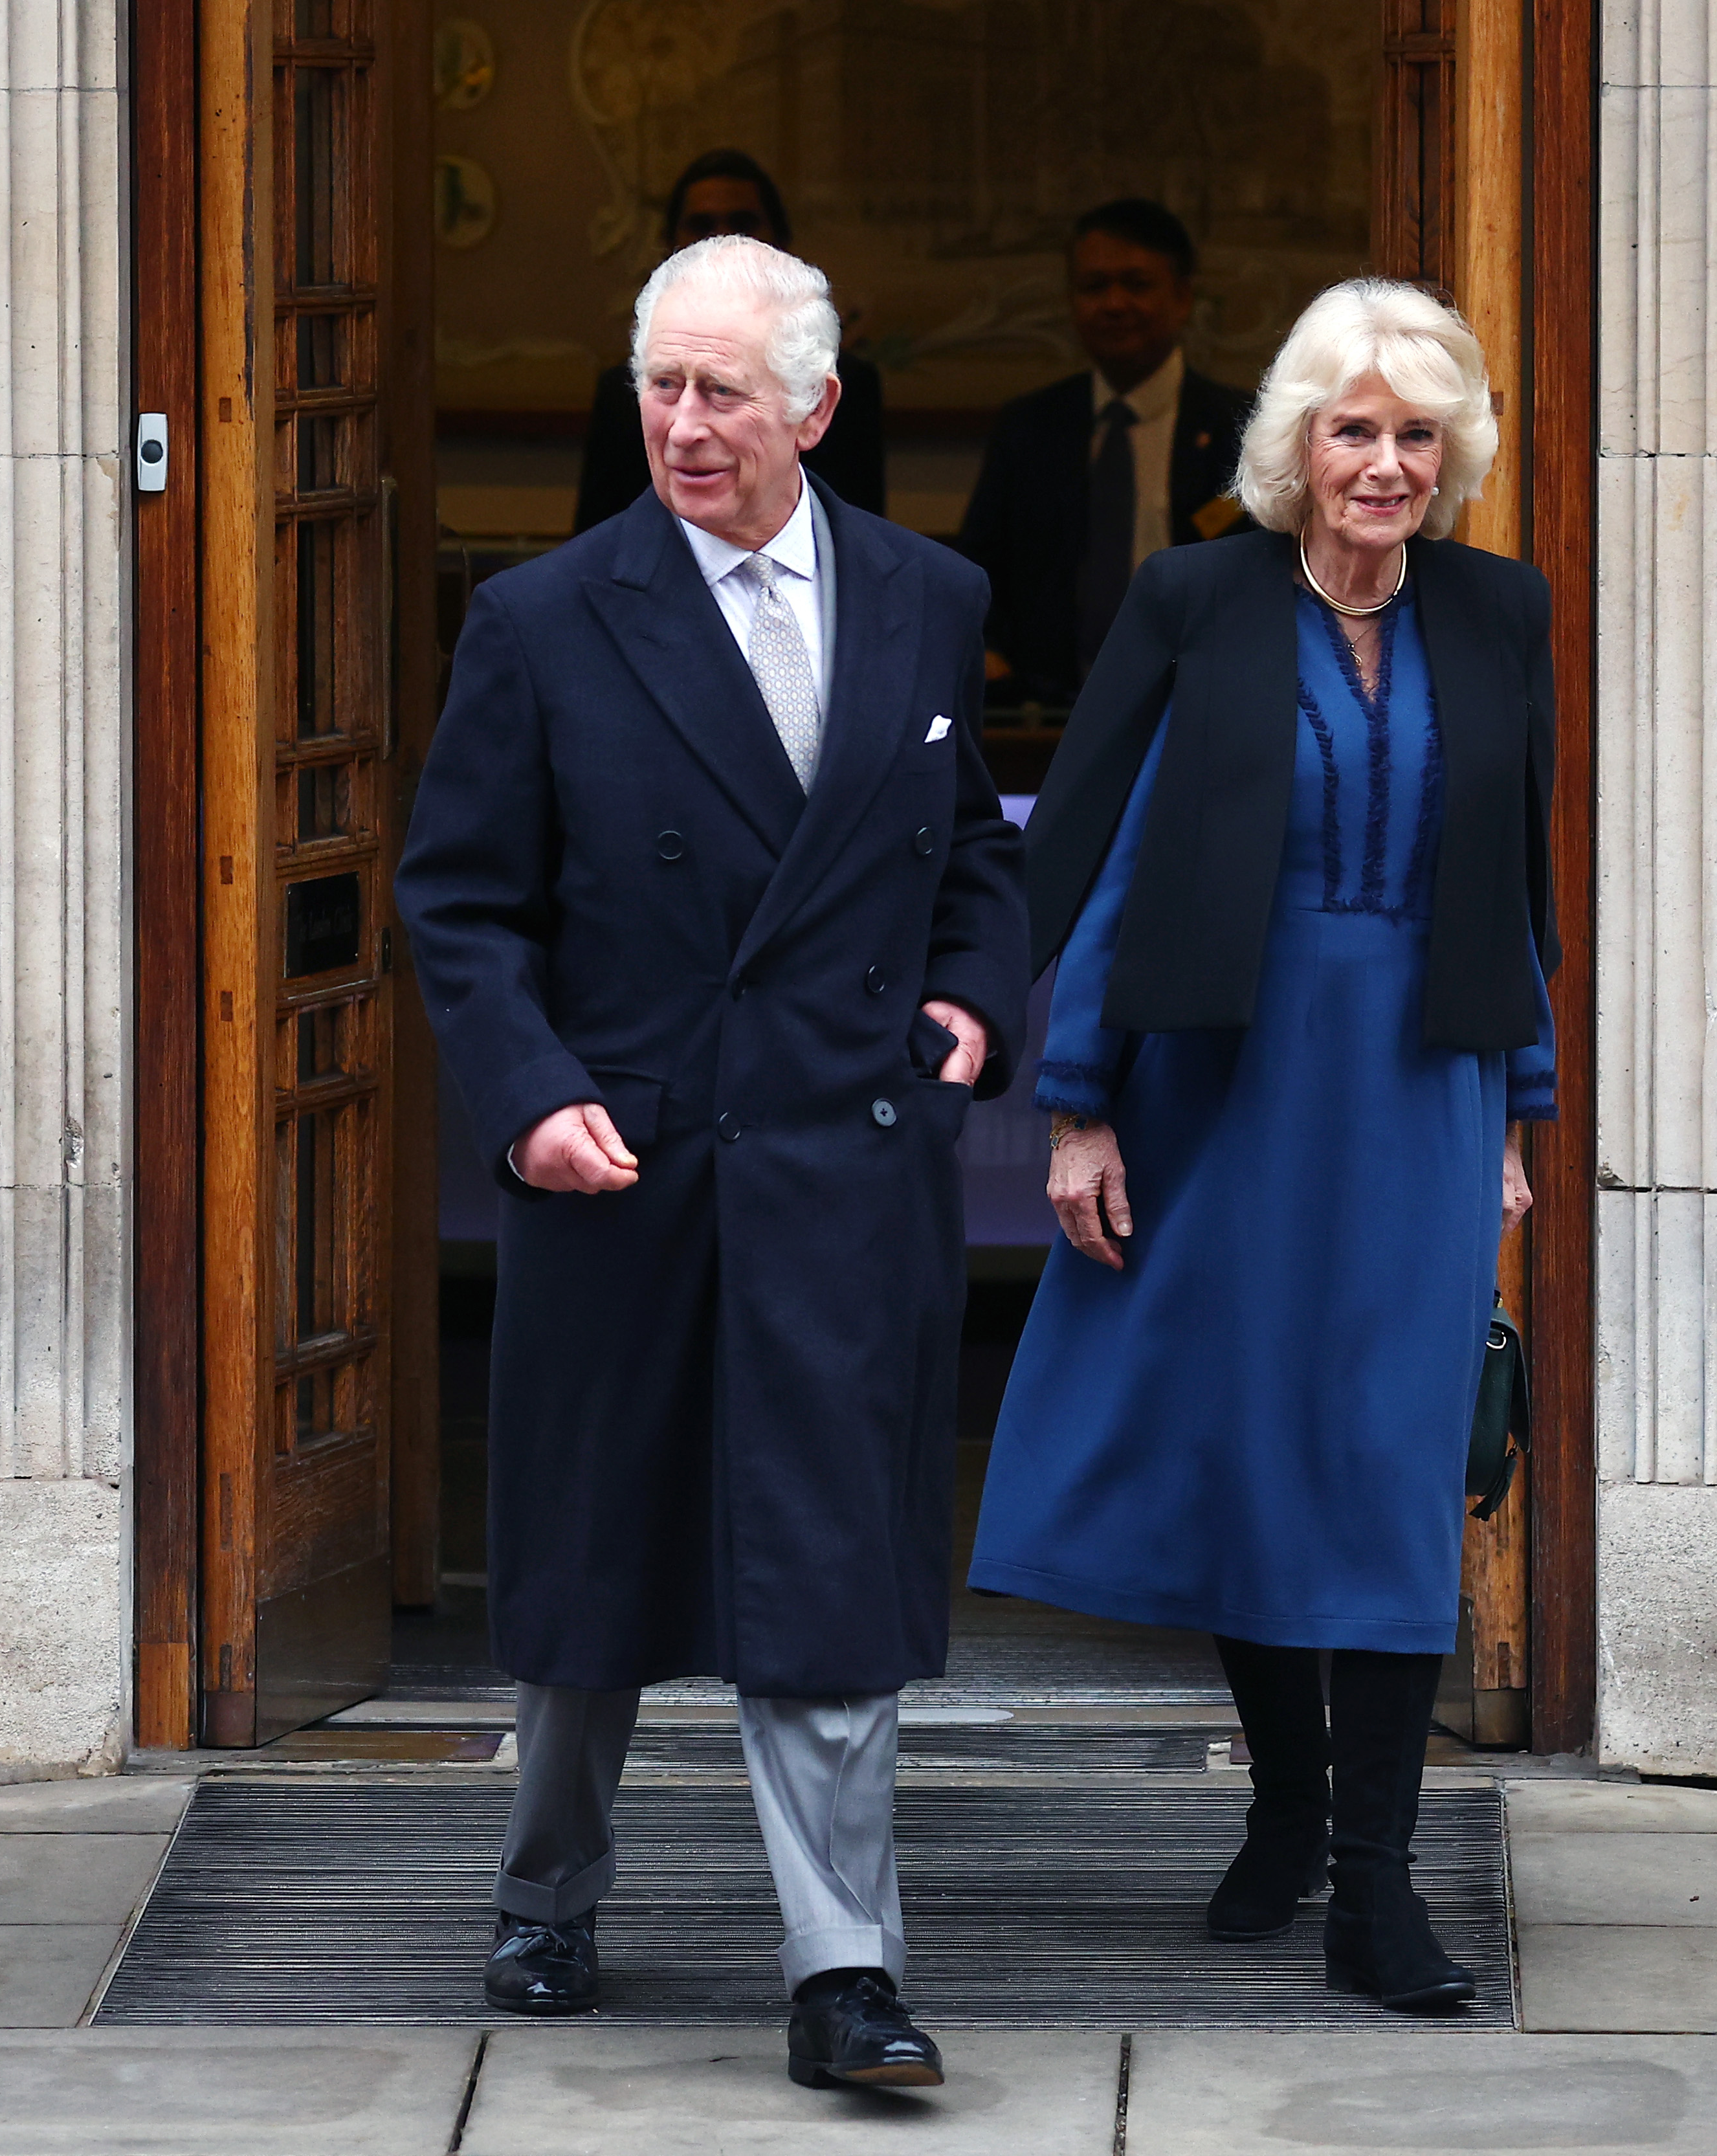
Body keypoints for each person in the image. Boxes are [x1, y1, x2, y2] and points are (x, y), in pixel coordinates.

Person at [397, 236, 1025, 2086]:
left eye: (719, 391)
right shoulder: (541, 619)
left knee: (825, 1569)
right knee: (598, 1570)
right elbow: (462, 902)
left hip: (844, 1161)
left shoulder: (929, 596)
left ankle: (844, 1973)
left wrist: (975, 1002)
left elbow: (971, 850)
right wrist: (524, 1094)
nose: (679, 423)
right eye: (657, 385)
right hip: (628, 1161)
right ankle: (548, 1888)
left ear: (812, 409)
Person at [966, 279, 1556, 2013]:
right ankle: (1288, 1803)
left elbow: (1506, 876)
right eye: (1353, 430)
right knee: (1251, 1443)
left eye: (1415, 435)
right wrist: (1072, 1107)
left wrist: (1516, 1109)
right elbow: (1116, 855)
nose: (1383, 465)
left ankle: (1374, 1886)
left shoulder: (1496, 609)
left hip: (1417, 1086)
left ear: (1451, 460)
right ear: (1294, 446)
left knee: (1386, 1462)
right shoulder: (1196, 598)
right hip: (1219, 1083)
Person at [957, 199, 1251, 706]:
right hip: (1048, 718)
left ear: (1182, 298)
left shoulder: (1244, 430)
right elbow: (978, 571)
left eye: (1136, 285)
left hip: (1206, 707)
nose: (1114, 304)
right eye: (1094, 287)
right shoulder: (1028, 428)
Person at [572, 150, 886, 531]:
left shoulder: (844, 384)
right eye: (701, 224)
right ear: (670, 242)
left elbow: (862, 532)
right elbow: (598, 538)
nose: (721, 239)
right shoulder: (623, 392)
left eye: (725, 389)